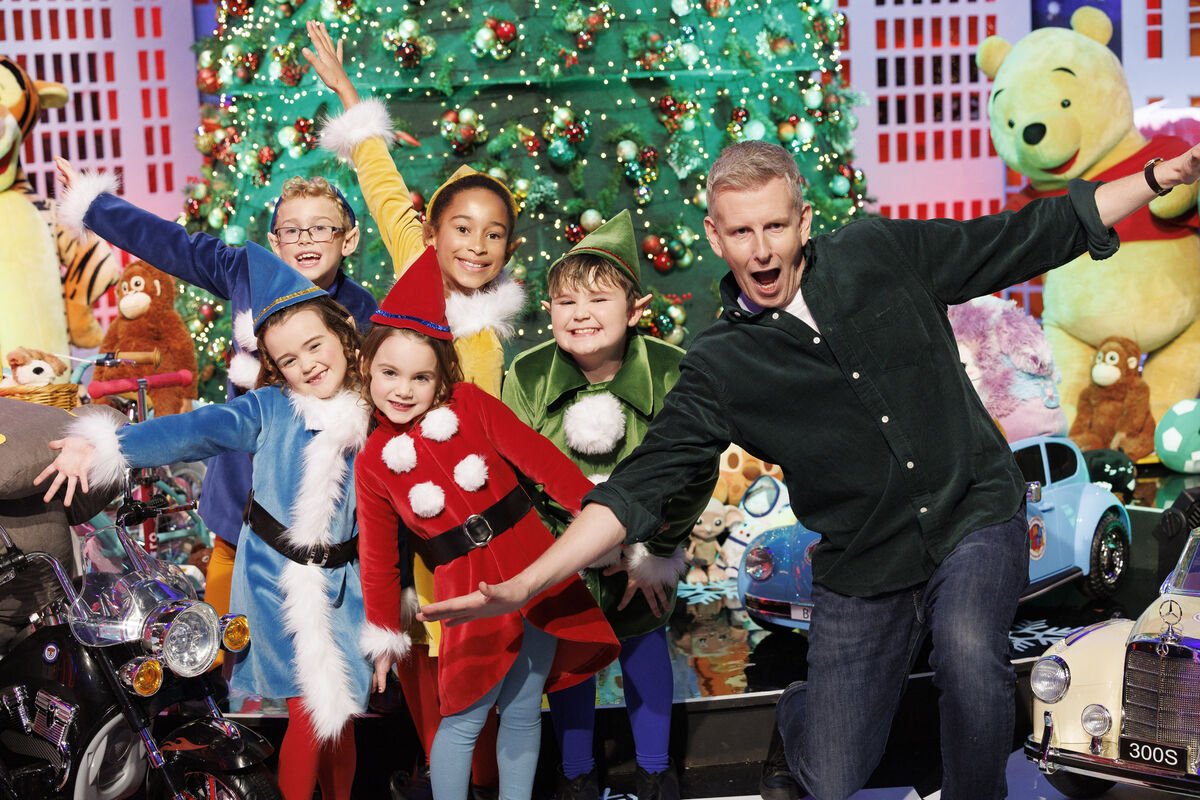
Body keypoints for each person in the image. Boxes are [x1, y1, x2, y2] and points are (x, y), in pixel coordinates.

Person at [420, 139, 1200, 800]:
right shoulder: (721, 366)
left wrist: (1156, 178)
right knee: (830, 774)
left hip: (971, 511)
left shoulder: (877, 252)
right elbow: (639, 486)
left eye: (774, 226)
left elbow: (1027, 233)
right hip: (864, 564)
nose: (761, 250)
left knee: (969, 656)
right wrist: (528, 582)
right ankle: (801, 716)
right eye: (741, 232)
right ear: (715, 237)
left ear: (802, 221)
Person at [42, 160, 379, 800]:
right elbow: (171, 246)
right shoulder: (248, 286)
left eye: (322, 228)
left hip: (339, 550)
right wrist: (94, 205)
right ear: (274, 240)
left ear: (348, 237)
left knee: (331, 704)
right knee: (235, 676)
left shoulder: (365, 320)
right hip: (246, 526)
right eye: (292, 230)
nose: (307, 240)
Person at [305, 20, 524, 796]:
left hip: (474, 524)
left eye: (493, 235)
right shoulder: (415, 265)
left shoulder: (494, 335)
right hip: (405, 511)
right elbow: (381, 180)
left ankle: (480, 780)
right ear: (434, 233)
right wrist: (348, 95)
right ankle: (440, 776)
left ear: (508, 250)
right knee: (425, 668)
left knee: (484, 677)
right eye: (461, 229)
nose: (475, 246)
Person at [353, 247, 619, 800]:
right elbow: (378, 558)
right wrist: (383, 635)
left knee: (522, 710)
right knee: (463, 716)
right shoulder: (373, 462)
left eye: (420, 377)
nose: (403, 389)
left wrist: (601, 518)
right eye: (389, 373)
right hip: (465, 592)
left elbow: (544, 463)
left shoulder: (471, 405)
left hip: (533, 563)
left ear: (441, 377)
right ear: (366, 369)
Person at [502, 209, 717, 800]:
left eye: (599, 300)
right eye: (566, 302)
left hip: (644, 548)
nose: (581, 314)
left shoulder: (671, 371)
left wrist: (657, 550)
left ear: (636, 309)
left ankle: (655, 770)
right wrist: (561, 552)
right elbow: (514, 474)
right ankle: (576, 773)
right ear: (549, 311)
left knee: (644, 641)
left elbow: (695, 469)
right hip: (560, 554)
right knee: (569, 655)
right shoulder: (528, 374)